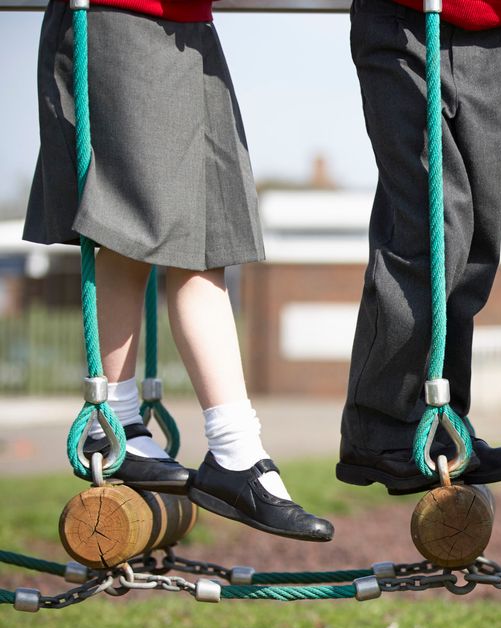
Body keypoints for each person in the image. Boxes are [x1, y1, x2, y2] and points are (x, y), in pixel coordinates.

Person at [25, 0, 334, 543]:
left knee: (208, 242)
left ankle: (236, 449)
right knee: (128, 228)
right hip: (123, 17)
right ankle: (112, 421)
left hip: (190, 28)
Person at [336, 0, 501, 496]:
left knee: (476, 242)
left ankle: (445, 421)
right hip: (406, 20)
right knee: (435, 229)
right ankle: (380, 428)